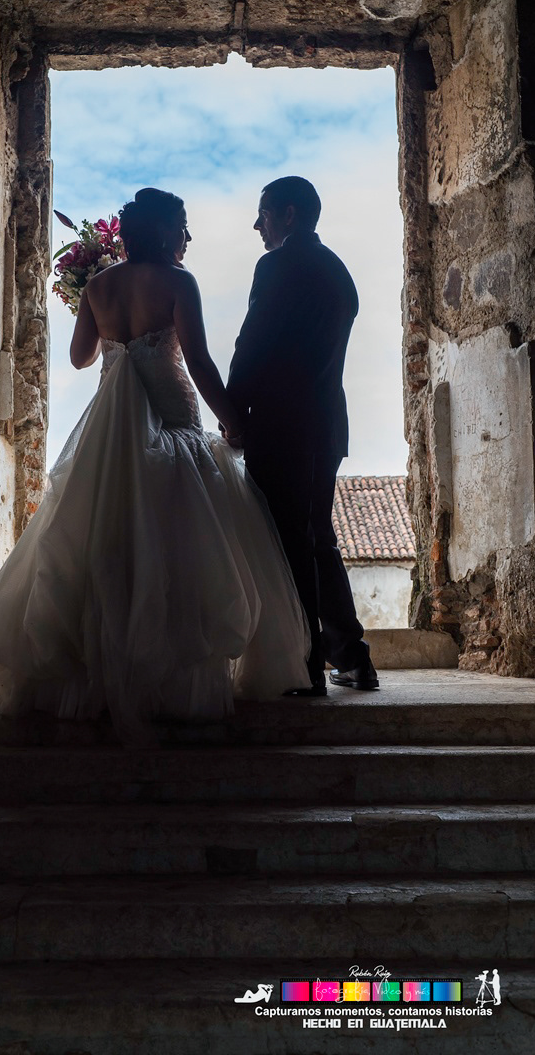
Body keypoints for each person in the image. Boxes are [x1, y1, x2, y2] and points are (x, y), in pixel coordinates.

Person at [0, 187, 312, 745]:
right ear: (164, 233)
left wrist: (106, 323)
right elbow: (202, 363)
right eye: (183, 227)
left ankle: (95, 675)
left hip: (109, 425)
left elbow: (80, 357)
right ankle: (173, 680)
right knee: (180, 539)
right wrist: (234, 420)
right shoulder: (180, 283)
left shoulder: (97, 286)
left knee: (101, 538)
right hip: (171, 414)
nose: (188, 238)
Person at [227, 176, 378, 693]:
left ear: (289, 214)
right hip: (325, 424)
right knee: (318, 538)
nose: (257, 224)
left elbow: (254, 342)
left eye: (263, 213)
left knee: (290, 543)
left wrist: (232, 409)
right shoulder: (339, 272)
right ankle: (352, 657)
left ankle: (307, 664)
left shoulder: (278, 265)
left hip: (282, 424)